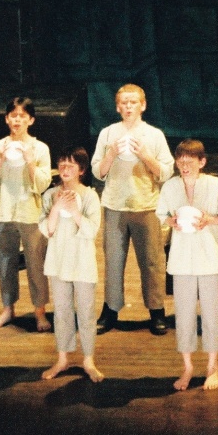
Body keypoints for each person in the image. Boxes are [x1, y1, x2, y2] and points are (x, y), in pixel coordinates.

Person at [91, 83, 174, 335]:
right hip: (114, 205)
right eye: (124, 103)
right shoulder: (108, 133)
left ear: (143, 105)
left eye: (133, 102)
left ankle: (156, 310)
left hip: (146, 205)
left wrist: (146, 156)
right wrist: (111, 154)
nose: (128, 107)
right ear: (118, 107)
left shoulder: (154, 135)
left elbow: (166, 171)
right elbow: (97, 171)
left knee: (152, 261)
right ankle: (111, 309)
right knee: (113, 261)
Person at [156, 139, 218, 391]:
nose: (185, 166)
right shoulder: (170, 186)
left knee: (212, 313)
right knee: (184, 314)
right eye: (181, 161)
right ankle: (188, 367)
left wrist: (210, 220)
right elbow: (161, 214)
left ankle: (212, 367)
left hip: (209, 258)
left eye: (190, 161)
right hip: (181, 260)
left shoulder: (213, 184)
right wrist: (171, 222)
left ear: (202, 162)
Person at [0, 97, 53, 331]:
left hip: (31, 213)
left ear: (31, 120)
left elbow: (43, 183)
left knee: (35, 263)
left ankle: (39, 312)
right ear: (6, 119)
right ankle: (8, 309)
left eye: (22, 116)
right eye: (13, 116)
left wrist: (30, 162)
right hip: (4, 212)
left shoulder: (40, 148)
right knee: (5, 262)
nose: (17, 120)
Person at [39, 147, 104, 382]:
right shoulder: (50, 195)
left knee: (86, 311)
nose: (65, 169)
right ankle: (62, 358)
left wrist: (75, 211)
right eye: (62, 164)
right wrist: (57, 207)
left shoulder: (89, 196)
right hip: (58, 260)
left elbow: (91, 230)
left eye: (71, 165)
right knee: (62, 311)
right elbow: (47, 230)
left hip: (82, 261)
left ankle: (88, 359)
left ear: (81, 170)